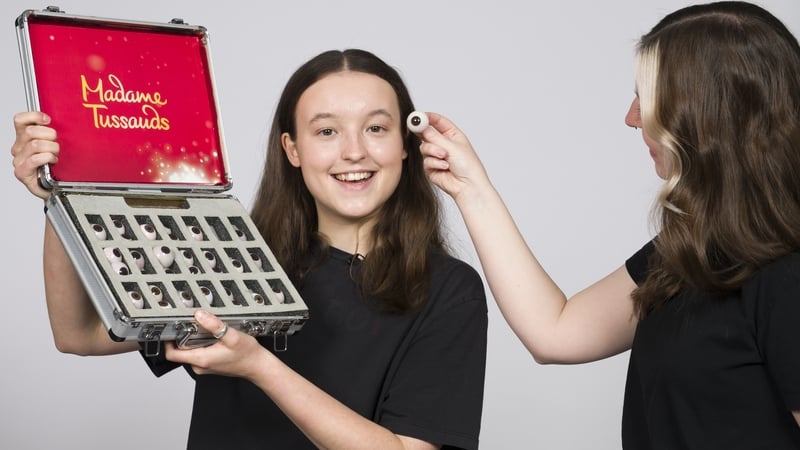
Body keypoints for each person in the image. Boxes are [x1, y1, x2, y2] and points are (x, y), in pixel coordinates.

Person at [11, 49, 487, 450]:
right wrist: (64, 193)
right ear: (292, 149)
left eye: (376, 128)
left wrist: (260, 366)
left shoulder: (448, 289)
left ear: (405, 144)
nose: (354, 152)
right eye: (326, 131)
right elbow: (80, 335)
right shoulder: (233, 257)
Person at [412, 2, 800, 448]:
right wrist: (470, 187)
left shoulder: (787, 274)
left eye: (647, 98)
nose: (632, 117)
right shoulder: (691, 250)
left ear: (706, 113)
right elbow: (555, 332)